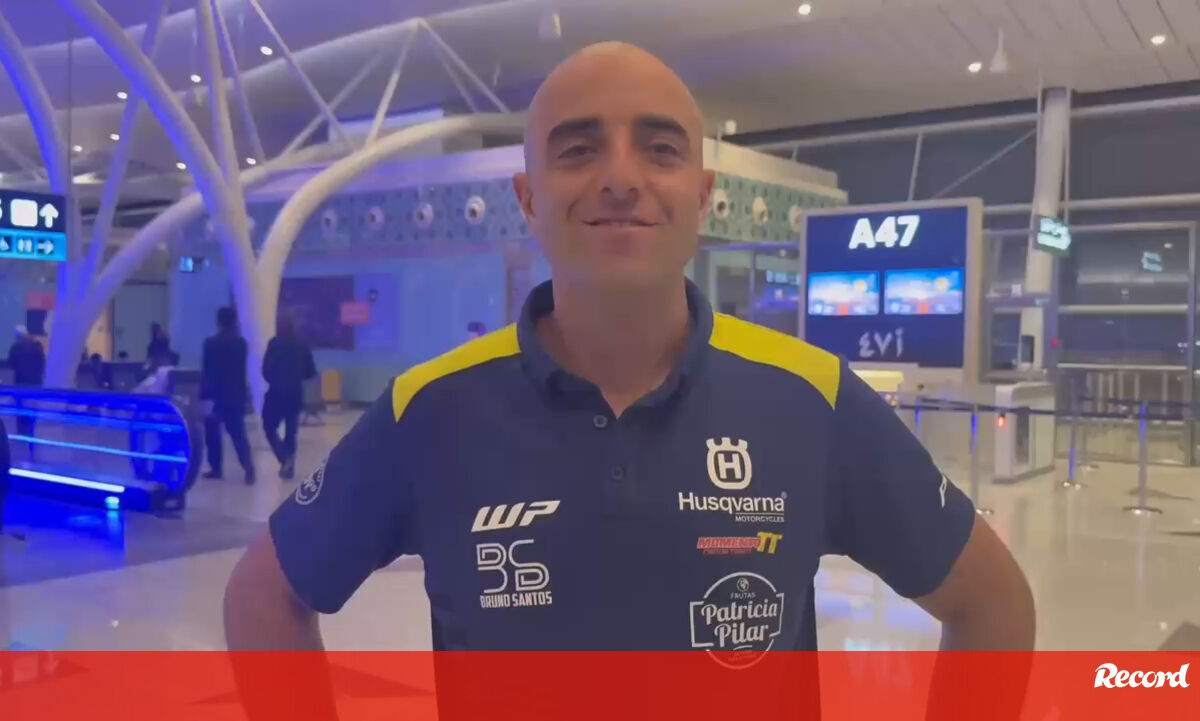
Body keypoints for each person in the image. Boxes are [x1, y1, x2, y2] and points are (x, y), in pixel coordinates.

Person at [226, 43, 1032, 668]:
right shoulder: (430, 409)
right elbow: (264, 598)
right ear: (528, 198)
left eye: (661, 149)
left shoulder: (808, 396)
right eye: (578, 150)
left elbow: (993, 603)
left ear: (702, 196)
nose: (620, 178)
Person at [201, 307, 255, 484]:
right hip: (235, 394)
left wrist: (203, 395)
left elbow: (207, 371)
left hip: (216, 395)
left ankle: (216, 468)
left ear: (218, 321)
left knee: (212, 434)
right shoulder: (241, 344)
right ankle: (248, 467)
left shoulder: (211, 343)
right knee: (238, 433)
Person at [261, 314, 316, 480]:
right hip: (295, 392)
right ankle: (289, 466)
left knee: (269, 426)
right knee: (291, 431)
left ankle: (284, 457)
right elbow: (310, 371)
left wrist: (273, 379)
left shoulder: (274, 344)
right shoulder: (302, 345)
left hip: (276, 392)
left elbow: (266, 369)